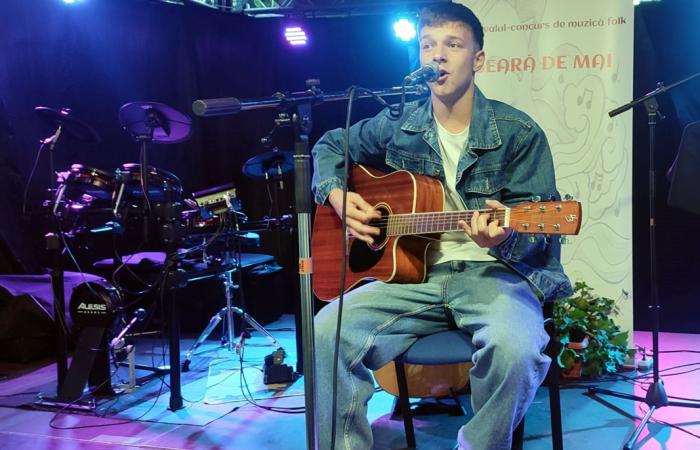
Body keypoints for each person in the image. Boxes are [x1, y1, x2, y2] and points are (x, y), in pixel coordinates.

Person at [311, 3, 572, 449]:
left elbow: (540, 231)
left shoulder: (518, 132)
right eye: (428, 45)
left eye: (453, 45)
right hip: (414, 276)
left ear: (478, 59)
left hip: (494, 275)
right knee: (327, 331)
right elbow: (331, 145)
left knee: (516, 350)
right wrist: (337, 194)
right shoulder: (400, 124)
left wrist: (505, 237)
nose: (438, 55)